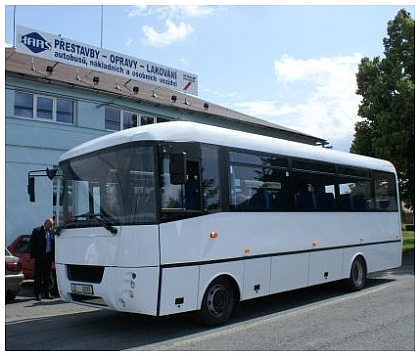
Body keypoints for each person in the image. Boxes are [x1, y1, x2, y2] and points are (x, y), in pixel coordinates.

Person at [30, 218, 55, 300]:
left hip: (48, 257)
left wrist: (53, 259)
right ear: (46, 224)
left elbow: (53, 245)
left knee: (47, 276)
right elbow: (32, 244)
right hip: (39, 257)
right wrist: (33, 256)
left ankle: (47, 293)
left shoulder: (51, 232)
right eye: (50, 225)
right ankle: (38, 294)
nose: (51, 227)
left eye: (52, 225)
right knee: (38, 276)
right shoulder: (37, 231)